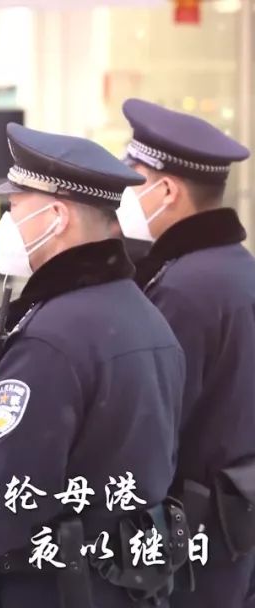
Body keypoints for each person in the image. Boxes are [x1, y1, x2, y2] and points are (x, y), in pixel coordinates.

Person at [0, 124, 187, 607]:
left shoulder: (50, 340)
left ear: (56, 216)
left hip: (52, 589)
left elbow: (10, 490)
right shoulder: (146, 316)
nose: (7, 222)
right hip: (126, 585)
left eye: (15, 207)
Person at [116, 98, 255, 608]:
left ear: (167, 191)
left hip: (194, 535)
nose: (121, 195)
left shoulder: (184, 289)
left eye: (132, 180)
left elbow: (154, 423)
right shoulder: (236, 266)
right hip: (237, 518)